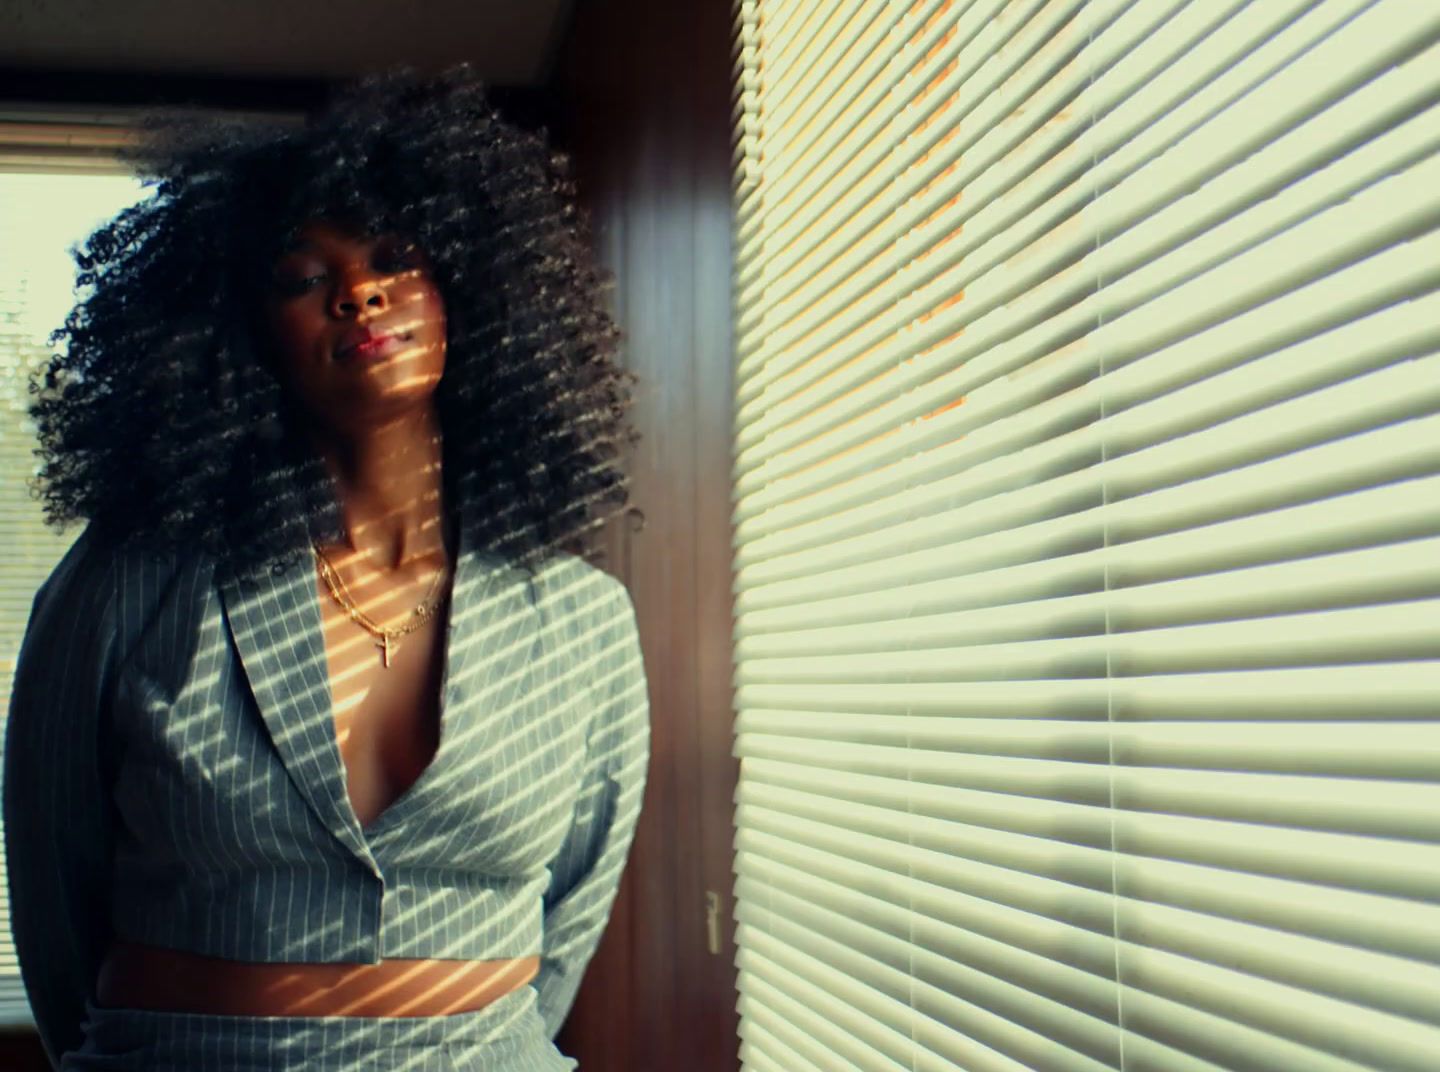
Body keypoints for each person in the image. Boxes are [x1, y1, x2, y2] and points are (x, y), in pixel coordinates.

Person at [3, 65, 650, 1072]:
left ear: (474, 293)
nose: (360, 291)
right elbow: (53, 893)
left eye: (397, 257)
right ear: (238, 335)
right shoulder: (126, 585)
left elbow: (568, 917)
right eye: (304, 279)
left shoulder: (583, 618)